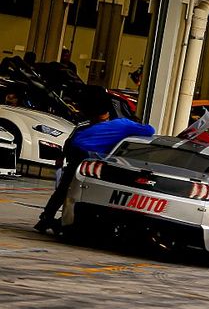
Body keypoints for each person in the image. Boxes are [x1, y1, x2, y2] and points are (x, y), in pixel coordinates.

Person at [36, 86, 154, 233]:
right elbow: (150, 131)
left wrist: (61, 158)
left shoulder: (83, 126)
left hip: (77, 159)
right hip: (93, 164)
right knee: (79, 193)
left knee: (64, 190)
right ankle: (66, 223)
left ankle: (48, 218)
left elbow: (70, 142)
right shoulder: (123, 125)